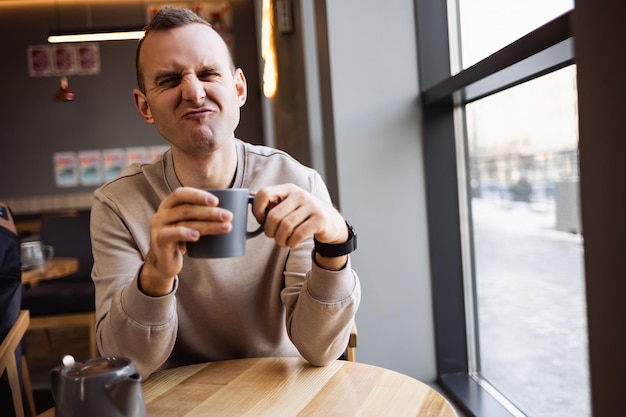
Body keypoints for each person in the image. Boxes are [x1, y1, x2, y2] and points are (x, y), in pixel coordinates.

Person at [91, 7, 360, 378]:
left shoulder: (296, 182)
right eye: (169, 81)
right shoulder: (117, 205)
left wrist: (335, 244)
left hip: (280, 393)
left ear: (239, 88)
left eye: (207, 74)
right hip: (174, 403)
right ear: (144, 106)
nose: (193, 92)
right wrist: (154, 275)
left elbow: (320, 349)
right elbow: (127, 362)